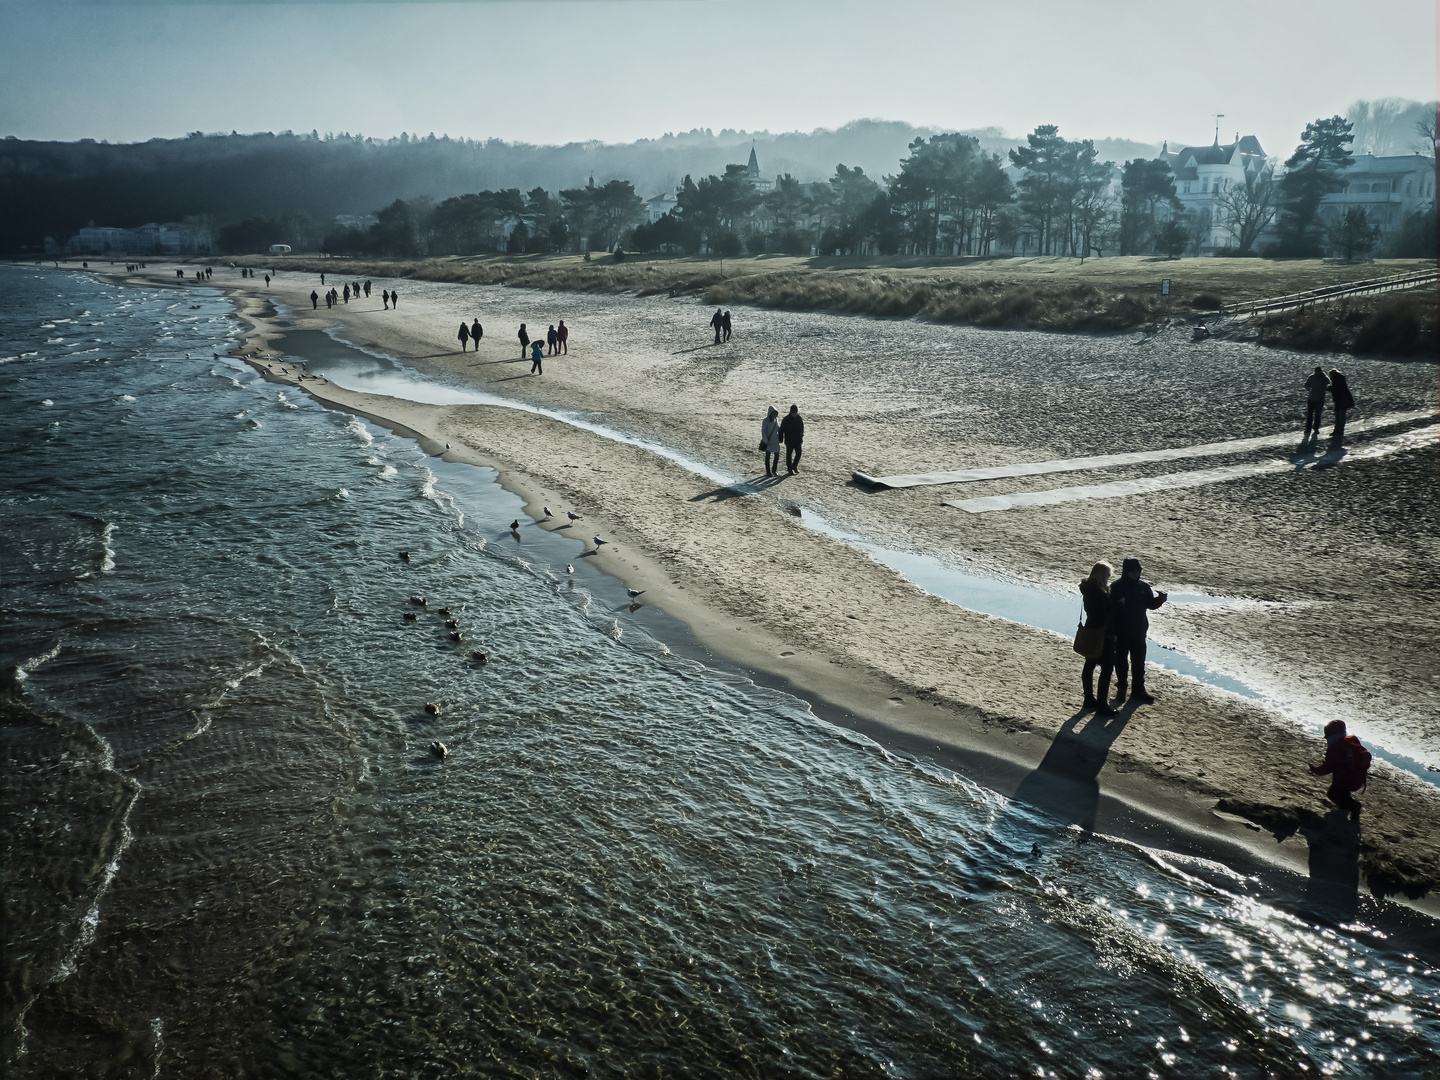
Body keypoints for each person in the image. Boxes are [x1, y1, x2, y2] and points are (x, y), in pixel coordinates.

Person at [1109, 557, 1167, 705]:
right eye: (1133, 571)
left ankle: (1138, 691)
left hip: (1139, 632)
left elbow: (1150, 605)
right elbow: (1110, 612)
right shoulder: (1116, 587)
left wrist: (1160, 600)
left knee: (1139, 664)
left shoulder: (1143, 587)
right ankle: (1121, 689)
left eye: (1138, 571)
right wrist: (1113, 633)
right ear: (1126, 571)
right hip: (1121, 633)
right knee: (1121, 663)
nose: (1136, 573)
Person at [1078, 562, 1118, 715]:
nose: (1109, 578)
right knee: (1107, 668)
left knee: (1090, 664)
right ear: (1103, 576)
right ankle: (1101, 705)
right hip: (1102, 632)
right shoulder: (1099, 593)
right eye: (1108, 575)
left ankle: (1089, 699)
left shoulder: (1087, 589)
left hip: (1090, 629)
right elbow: (1104, 614)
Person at [1309, 720, 1370, 818]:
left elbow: (1328, 767)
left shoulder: (1334, 748)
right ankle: (1345, 807)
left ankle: (1353, 806)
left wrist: (1315, 770)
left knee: (1332, 794)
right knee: (1344, 794)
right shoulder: (1348, 743)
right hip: (1356, 777)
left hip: (1343, 779)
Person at [1303, 366, 1328, 441]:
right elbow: (1306, 384)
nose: (1317, 373)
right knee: (1309, 415)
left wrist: (1324, 388)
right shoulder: (1311, 377)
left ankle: (1316, 428)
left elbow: (1328, 385)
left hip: (1320, 399)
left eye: (1318, 372)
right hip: (1311, 399)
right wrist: (1308, 388)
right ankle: (1308, 428)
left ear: (1320, 372)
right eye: (1316, 372)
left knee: (1318, 414)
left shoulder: (1324, 378)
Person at [1329, 368, 1354, 441]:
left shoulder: (1336, 380)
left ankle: (1338, 431)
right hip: (1342, 400)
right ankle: (1338, 431)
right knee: (1340, 416)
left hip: (1341, 401)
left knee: (1340, 417)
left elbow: (1336, 389)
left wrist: (1329, 388)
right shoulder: (1340, 379)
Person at [779, 403, 804, 474]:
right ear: (790, 412)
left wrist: (801, 436)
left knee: (799, 453)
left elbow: (802, 428)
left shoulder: (799, 418)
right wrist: (780, 438)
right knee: (789, 455)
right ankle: (789, 468)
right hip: (789, 440)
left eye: (795, 412)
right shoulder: (786, 419)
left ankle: (794, 466)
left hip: (797, 440)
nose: (794, 414)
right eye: (793, 412)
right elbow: (781, 430)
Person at [760, 406, 782, 477]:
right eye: (773, 413)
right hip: (768, 441)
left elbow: (778, 429)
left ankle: (774, 470)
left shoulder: (776, 420)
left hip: (775, 441)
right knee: (768, 457)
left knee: (777, 455)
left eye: (775, 413)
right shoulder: (765, 421)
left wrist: (781, 437)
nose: (774, 414)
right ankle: (768, 472)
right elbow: (763, 431)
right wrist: (765, 440)